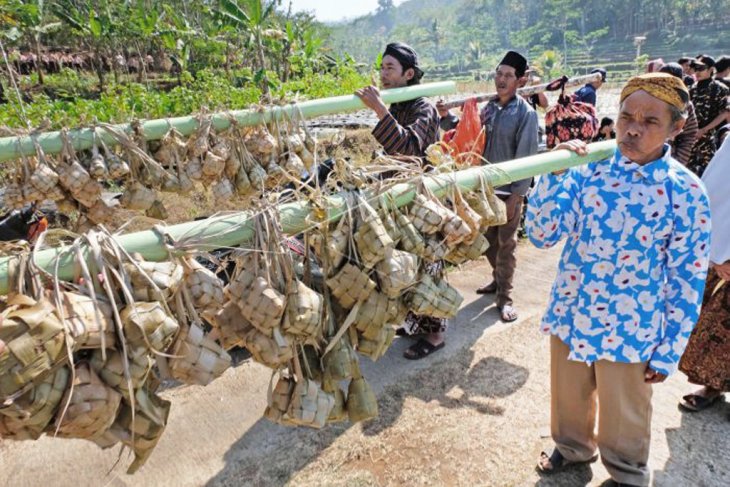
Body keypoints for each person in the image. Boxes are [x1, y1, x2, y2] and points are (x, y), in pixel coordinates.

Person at [528, 73, 711, 487]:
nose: (632, 128)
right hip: (573, 309)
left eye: (650, 122)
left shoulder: (685, 193)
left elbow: (687, 277)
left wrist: (669, 350)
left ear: (676, 127)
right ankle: (573, 449)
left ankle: (627, 474)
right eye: (627, 115)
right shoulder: (587, 170)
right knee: (569, 396)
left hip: (633, 324)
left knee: (625, 411)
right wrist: (555, 173)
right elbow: (542, 235)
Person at [355, 42, 446, 360]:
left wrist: (379, 110)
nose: (383, 74)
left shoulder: (424, 108)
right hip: (397, 198)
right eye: (381, 68)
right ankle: (414, 322)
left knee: (429, 262)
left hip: (423, 200)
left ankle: (434, 333)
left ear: (409, 74)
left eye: (390, 68)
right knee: (406, 262)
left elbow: (408, 147)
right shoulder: (396, 105)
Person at [438, 51, 538, 322]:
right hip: (484, 190)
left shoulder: (525, 113)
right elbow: (466, 132)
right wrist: (447, 118)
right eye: (499, 74)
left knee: (506, 244)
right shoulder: (489, 109)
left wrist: (517, 196)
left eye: (508, 76)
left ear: (521, 81)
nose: (501, 80)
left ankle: (505, 297)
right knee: (488, 243)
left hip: (508, 191)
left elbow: (527, 156)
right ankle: (496, 280)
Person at [678, 135, 730, 412]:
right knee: (714, 323)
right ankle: (714, 386)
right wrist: (716, 255)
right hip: (724, 255)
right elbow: (713, 198)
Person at [687, 55, 730, 176]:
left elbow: (725, 113)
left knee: (708, 174)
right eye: (695, 68)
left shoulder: (720, 89)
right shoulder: (690, 89)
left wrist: (704, 129)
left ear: (711, 69)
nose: (697, 72)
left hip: (708, 140)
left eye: (701, 68)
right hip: (689, 138)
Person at [659, 62, 699, 165]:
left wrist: (680, 160)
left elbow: (689, 134)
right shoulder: (645, 99)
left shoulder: (685, 105)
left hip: (669, 158)